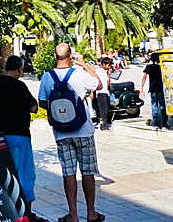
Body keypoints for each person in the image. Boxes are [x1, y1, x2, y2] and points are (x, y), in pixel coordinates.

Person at [38, 44, 104, 222]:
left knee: (68, 172)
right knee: (87, 172)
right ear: (71, 56)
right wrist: (83, 63)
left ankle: (73, 214)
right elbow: (99, 84)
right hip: (83, 130)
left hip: (61, 133)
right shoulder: (79, 74)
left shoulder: (47, 77)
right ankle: (91, 213)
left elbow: (42, 102)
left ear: (54, 56)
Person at [0, 55, 41, 221]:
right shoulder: (19, 86)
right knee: (24, 174)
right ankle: (26, 214)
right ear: (20, 69)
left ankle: (2, 212)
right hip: (18, 135)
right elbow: (34, 108)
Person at [140, 53, 168, 129]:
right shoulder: (161, 67)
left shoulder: (149, 67)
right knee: (162, 106)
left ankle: (156, 123)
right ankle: (164, 123)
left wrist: (141, 88)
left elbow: (144, 77)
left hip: (152, 89)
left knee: (154, 105)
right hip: (160, 88)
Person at [93, 57, 113, 131]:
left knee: (106, 108)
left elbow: (108, 82)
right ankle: (103, 123)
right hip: (100, 91)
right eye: (108, 65)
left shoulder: (106, 72)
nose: (109, 67)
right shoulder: (99, 71)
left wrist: (109, 74)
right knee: (103, 109)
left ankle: (106, 122)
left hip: (105, 91)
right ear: (103, 64)